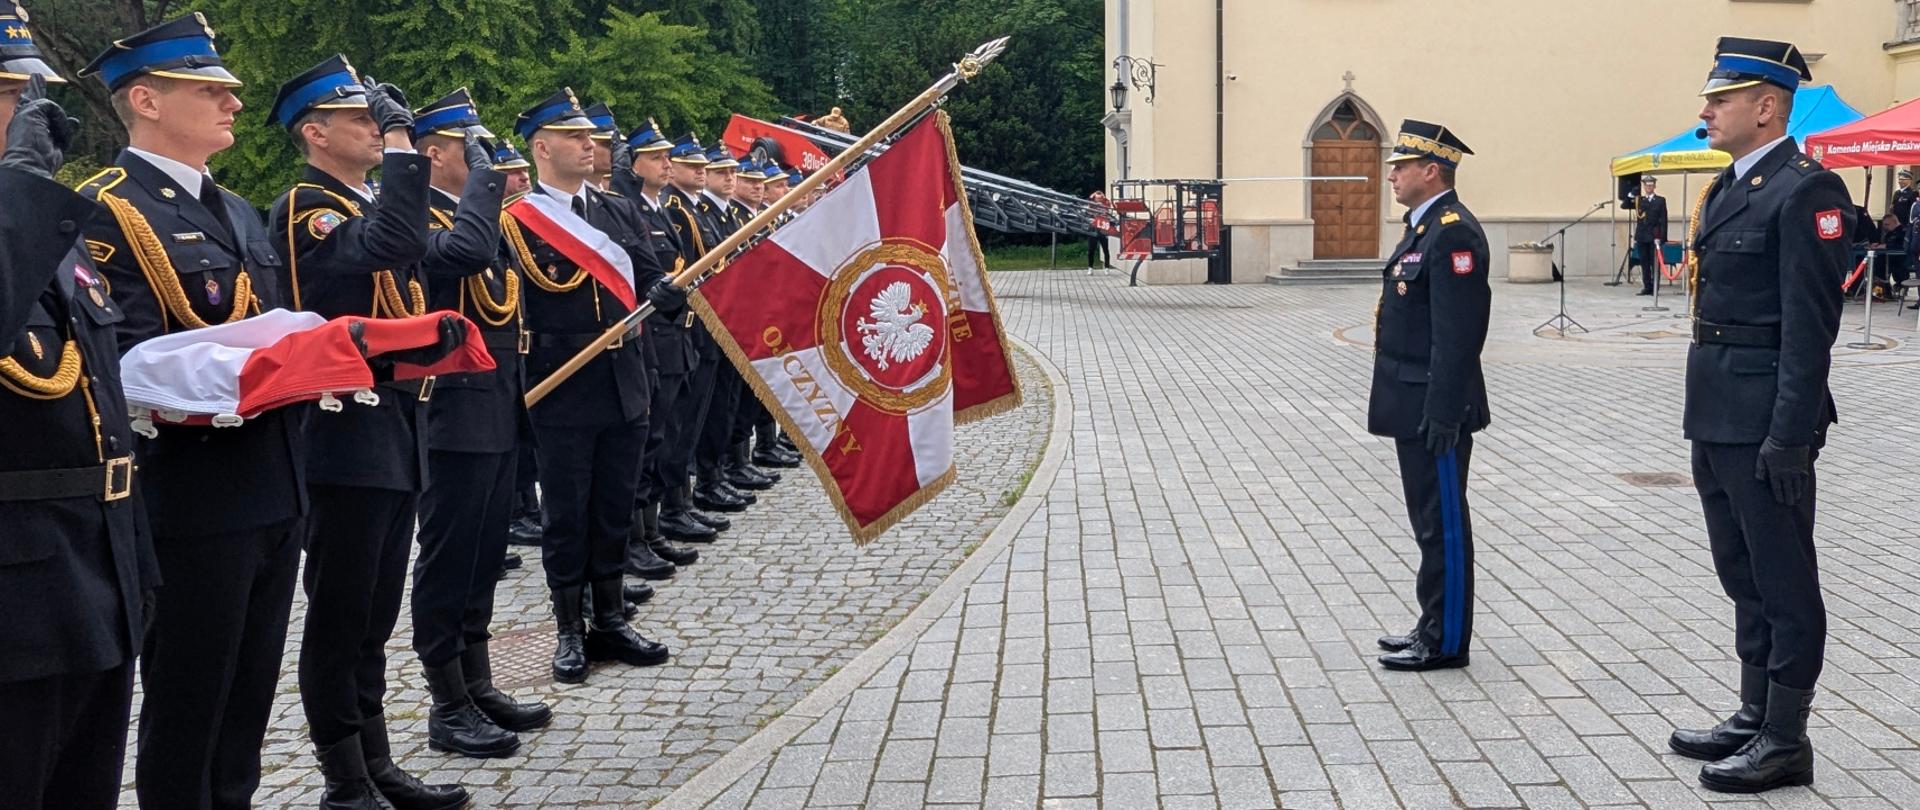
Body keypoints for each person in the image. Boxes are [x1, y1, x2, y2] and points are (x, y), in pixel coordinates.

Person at [73, 14, 303, 809]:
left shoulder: (239, 211)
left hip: (274, 483)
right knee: (188, 702)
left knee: (247, 703)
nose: (233, 104)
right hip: (190, 498)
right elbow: (117, 365)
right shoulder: (104, 210)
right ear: (146, 100)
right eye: (210, 90)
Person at [265, 56, 470, 810]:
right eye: (360, 120)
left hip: (393, 427)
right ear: (314, 133)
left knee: (375, 611)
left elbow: (405, 243)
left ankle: (376, 762)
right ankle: (344, 779)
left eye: (375, 119)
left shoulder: (366, 202)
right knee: (342, 612)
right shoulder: (308, 207)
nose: (378, 128)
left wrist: (395, 155)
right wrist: (403, 145)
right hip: (341, 434)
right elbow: (388, 245)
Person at [1669, 37, 1849, 795]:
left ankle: (1786, 736)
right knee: (1739, 570)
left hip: (1766, 420)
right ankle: (1753, 710)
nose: (1705, 110)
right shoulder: (1733, 186)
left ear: (1766, 106)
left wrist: (1789, 434)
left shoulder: (1805, 190)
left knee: (1783, 578)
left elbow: (1811, 329)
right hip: (1715, 410)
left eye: (1720, 99)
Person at [0, 20, 156, 806]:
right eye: (7, 93)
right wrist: (19, 187)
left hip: (95, 569)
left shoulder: (45, 224)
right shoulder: (25, 211)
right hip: (16, 594)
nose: (31, 108)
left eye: (33, 91)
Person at [504, 88, 676, 684]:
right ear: (541, 147)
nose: (591, 144)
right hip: (561, 384)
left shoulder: (613, 210)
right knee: (567, 513)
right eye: (576, 137)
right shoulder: (517, 220)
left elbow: (647, 274)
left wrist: (665, 294)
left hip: (624, 378)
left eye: (592, 137)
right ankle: (569, 630)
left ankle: (610, 618)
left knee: (613, 503)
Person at [407, 87, 553, 760]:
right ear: (433, 155)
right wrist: (488, 186)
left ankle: (477, 682)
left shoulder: (480, 219)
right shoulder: (419, 217)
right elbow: (460, 258)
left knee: (484, 559)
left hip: (496, 403)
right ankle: (446, 703)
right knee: (448, 561)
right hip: (450, 413)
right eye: (470, 149)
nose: (487, 159)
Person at [1368, 119, 1491, 673]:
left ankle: (1446, 640)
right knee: (1427, 521)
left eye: (1401, 165)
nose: (1391, 173)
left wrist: (1444, 412)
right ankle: (1430, 622)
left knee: (1443, 523)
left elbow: (1458, 335)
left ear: (1431, 169)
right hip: (1412, 401)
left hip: (1434, 410)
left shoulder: (1453, 233)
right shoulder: (1421, 229)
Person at [1622, 175, 1668, 295]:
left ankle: (1655, 287)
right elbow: (1625, 205)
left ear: (1654, 186)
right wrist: (1631, 194)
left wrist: (1662, 238)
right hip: (1642, 235)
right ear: (1644, 186)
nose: (1649, 187)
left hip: (1654, 236)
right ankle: (1647, 286)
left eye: (1651, 185)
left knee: (1654, 263)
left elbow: (1663, 220)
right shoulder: (1639, 200)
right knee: (1644, 263)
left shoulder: (1660, 200)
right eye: (1647, 185)